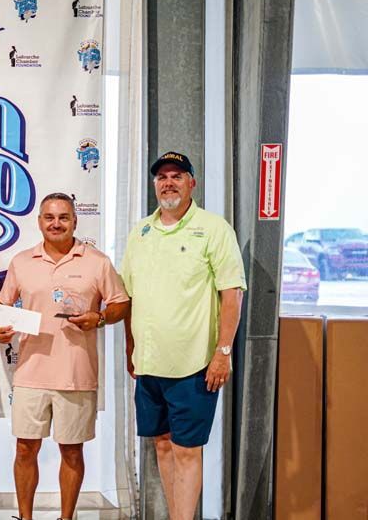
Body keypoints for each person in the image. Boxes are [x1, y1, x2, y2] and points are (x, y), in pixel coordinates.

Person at [121, 151, 246, 520]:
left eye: (177, 176)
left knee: (187, 450)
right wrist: (131, 350)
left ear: (192, 182)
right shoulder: (140, 232)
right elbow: (129, 297)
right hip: (149, 364)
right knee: (162, 444)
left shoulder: (214, 229)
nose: (169, 183)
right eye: (162, 177)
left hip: (194, 365)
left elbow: (232, 294)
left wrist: (223, 352)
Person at [0, 193, 130, 520]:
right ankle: (25, 517)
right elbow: (1, 306)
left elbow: (121, 304)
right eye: (50, 217)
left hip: (76, 374)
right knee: (25, 449)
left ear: (75, 221)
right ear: (39, 221)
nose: (56, 223)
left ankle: (66, 517)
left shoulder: (97, 261)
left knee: (71, 452)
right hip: (30, 374)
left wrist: (99, 318)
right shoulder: (21, 262)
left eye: (63, 217)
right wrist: (1, 329)